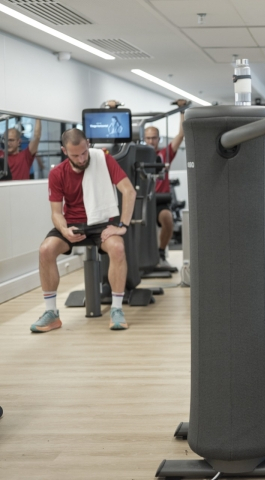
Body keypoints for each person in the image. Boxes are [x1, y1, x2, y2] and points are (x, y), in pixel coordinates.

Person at [31, 128, 136, 333]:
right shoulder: (57, 173)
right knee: (46, 250)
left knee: (117, 248)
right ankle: (51, 314)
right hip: (73, 224)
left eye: (84, 153)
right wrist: (64, 229)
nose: (81, 159)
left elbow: (129, 191)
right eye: (75, 155)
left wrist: (122, 225)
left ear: (88, 144)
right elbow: (56, 213)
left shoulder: (103, 160)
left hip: (101, 221)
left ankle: (116, 309)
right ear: (64, 151)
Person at [144, 101, 186, 267]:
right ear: (144, 139)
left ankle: (161, 252)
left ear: (158, 139)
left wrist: (182, 111)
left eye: (154, 138)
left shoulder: (165, 153)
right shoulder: (137, 154)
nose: (151, 141)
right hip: (143, 200)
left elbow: (181, 135)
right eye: (148, 138)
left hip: (160, 200)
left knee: (167, 219)